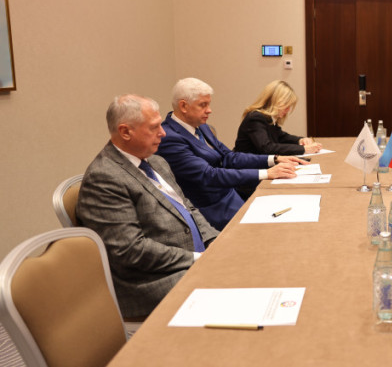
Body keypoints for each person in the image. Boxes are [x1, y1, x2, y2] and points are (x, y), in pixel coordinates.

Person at [76, 94, 219, 318]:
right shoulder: (104, 177)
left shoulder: (156, 161)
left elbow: (187, 208)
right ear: (125, 132)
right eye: (154, 127)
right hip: (154, 280)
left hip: (190, 257)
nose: (163, 133)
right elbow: (131, 251)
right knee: (236, 283)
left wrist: (215, 242)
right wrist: (198, 258)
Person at [156, 78, 305, 230]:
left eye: (209, 104)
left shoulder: (202, 127)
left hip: (230, 197)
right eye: (203, 105)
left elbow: (229, 157)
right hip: (209, 210)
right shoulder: (169, 137)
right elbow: (208, 175)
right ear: (183, 106)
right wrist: (266, 173)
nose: (209, 110)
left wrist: (274, 159)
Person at [234, 80, 322, 156]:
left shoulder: (268, 118)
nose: (288, 110)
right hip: (246, 167)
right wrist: (303, 149)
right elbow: (267, 148)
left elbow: (281, 137)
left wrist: (300, 140)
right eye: (286, 105)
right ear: (274, 102)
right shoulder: (255, 118)